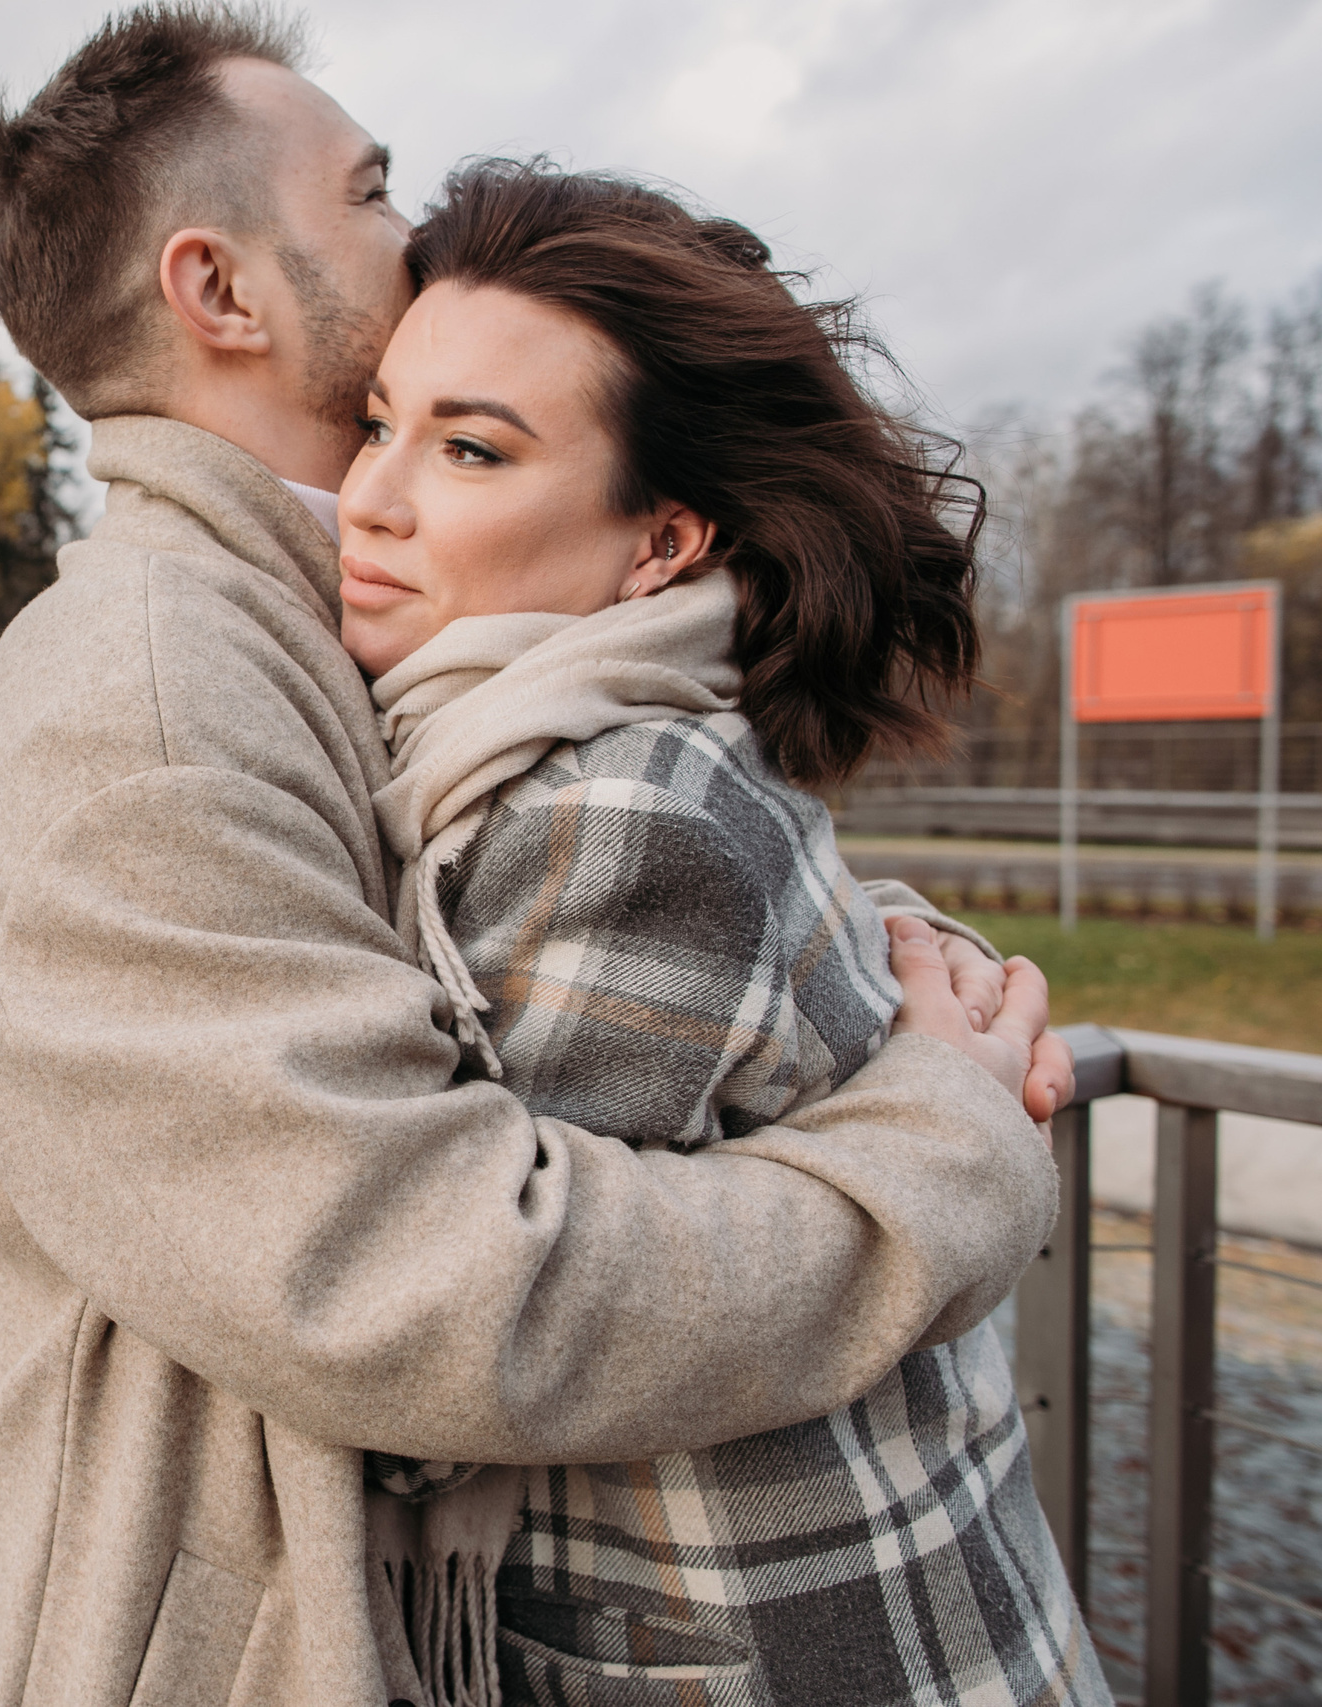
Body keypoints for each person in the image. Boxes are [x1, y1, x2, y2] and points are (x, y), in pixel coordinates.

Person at [0, 7, 1074, 1702]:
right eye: (371, 191)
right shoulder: (147, 696)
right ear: (219, 290)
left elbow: (524, 882)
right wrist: (940, 1156)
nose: (420, 222)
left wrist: (852, 947)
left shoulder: (314, 625)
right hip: (217, 1646)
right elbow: (424, 1285)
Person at [342, 160, 1106, 1707]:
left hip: (794, 1645)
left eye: (472, 449)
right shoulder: (581, 746)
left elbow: (458, 1358)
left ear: (661, 545)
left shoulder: (615, 804)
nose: (373, 495)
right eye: (378, 422)